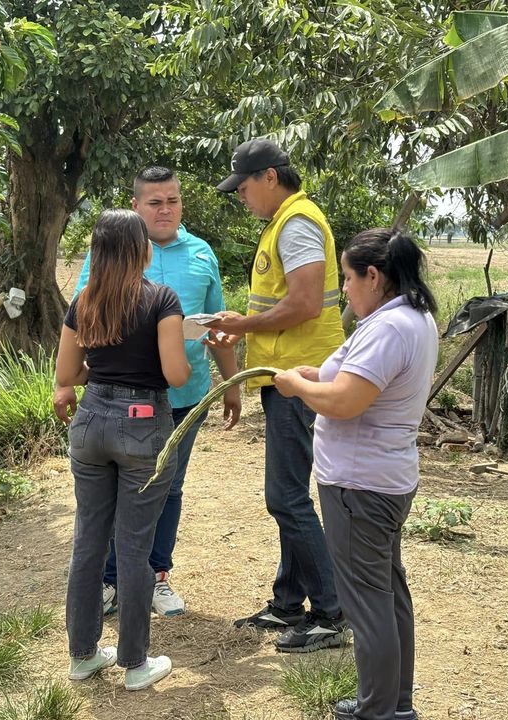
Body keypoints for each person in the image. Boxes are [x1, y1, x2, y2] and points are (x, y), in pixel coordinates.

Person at [60, 166, 241, 617]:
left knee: (169, 489)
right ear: (136, 206)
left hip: (184, 398)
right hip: (120, 400)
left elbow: (216, 327)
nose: (165, 210)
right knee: (117, 496)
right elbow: (82, 320)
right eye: (155, 203)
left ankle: (156, 576)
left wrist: (231, 384)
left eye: (173, 201)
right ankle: (112, 580)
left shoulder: (202, 253)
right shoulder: (107, 255)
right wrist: (64, 384)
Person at [273, 229, 438, 720]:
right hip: (384, 478)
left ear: (374, 276)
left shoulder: (388, 328)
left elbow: (346, 402)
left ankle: (378, 711)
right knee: (387, 593)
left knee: (367, 603)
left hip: (358, 486)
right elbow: (356, 381)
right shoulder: (412, 317)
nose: (344, 289)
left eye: (347, 278)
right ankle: (394, 704)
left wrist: (296, 387)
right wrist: (316, 375)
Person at [209, 138, 348, 652]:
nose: (241, 197)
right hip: (285, 375)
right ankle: (289, 602)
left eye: (243, 188)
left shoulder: (296, 223)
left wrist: (243, 325)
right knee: (290, 495)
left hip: (299, 377)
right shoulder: (282, 222)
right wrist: (244, 330)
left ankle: (332, 613)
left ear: (270, 177)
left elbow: (306, 302)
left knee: (285, 497)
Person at [54, 208, 190, 691]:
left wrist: (103, 368)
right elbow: (176, 376)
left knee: (88, 542)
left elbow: (67, 374)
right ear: (142, 250)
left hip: (91, 422)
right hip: (143, 425)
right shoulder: (161, 299)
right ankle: (135, 664)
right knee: (134, 548)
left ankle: (83, 655)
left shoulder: (84, 300)